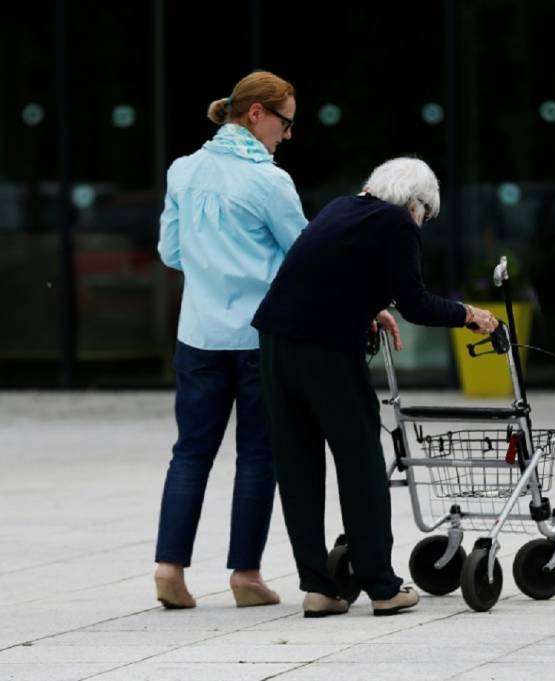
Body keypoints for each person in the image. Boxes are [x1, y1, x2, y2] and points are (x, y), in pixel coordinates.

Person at [252, 157, 498, 617]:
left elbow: (325, 273)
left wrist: (368, 309)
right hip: (326, 350)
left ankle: (318, 588)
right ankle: (383, 587)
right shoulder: (397, 222)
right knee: (361, 459)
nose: (422, 223)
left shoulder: (340, 207)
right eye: (425, 215)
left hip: (275, 343)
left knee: (298, 463)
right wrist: (470, 315)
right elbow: (417, 303)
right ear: (417, 204)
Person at [153, 70, 306, 609]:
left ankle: (169, 567)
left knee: (190, 453)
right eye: (285, 122)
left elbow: (171, 253)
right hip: (256, 335)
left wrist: (211, 258)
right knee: (258, 455)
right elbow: (304, 256)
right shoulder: (269, 182)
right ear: (257, 114)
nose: (287, 135)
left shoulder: (183, 170)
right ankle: (245, 575)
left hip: (197, 330)